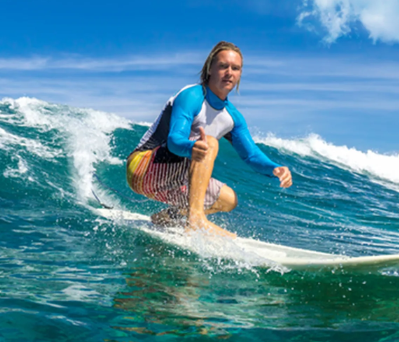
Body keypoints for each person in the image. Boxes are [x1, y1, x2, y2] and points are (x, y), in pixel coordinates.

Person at [125, 41, 292, 237]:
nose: (229, 72)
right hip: (143, 168)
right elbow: (174, 139)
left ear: (239, 75)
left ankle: (167, 218)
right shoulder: (192, 95)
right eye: (223, 66)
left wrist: (274, 168)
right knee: (210, 143)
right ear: (210, 69)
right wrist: (191, 148)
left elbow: (251, 155)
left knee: (229, 200)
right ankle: (195, 219)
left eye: (235, 68)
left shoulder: (233, 117)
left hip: (172, 180)